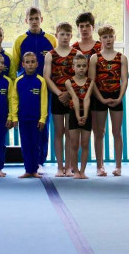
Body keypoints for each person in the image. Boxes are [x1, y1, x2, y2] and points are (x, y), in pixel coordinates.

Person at [12, 6, 57, 174]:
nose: (34, 21)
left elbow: (56, 62)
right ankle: (29, 164)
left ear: (41, 19)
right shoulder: (20, 40)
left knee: (43, 124)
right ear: (26, 21)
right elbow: (15, 65)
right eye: (31, 19)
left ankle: (40, 161)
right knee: (26, 127)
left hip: (45, 87)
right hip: (25, 87)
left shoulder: (51, 40)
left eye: (36, 18)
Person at [89, 25, 128, 177]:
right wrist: (101, 99)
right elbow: (92, 81)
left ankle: (118, 166)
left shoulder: (121, 57)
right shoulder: (95, 58)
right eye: (105, 37)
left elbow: (124, 80)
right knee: (99, 132)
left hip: (116, 95)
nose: (108, 39)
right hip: (99, 96)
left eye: (110, 36)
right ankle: (100, 166)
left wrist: (119, 98)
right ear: (100, 40)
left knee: (116, 132)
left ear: (114, 37)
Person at [43, 22, 78, 177]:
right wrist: (59, 93)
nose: (65, 37)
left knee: (70, 132)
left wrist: (69, 94)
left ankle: (68, 166)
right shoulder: (50, 55)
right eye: (62, 34)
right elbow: (47, 77)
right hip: (57, 97)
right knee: (58, 132)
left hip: (72, 96)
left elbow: (80, 76)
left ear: (71, 36)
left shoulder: (76, 54)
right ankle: (59, 167)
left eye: (67, 34)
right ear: (57, 35)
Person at [11, 52, 48, 179]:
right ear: (23, 64)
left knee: (36, 145)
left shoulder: (40, 81)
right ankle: (28, 170)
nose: (30, 64)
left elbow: (44, 101)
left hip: (36, 120)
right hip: (23, 119)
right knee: (26, 144)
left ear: (37, 64)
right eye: (27, 62)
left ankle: (35, 169)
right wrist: (14, 117)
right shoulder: (18, 81)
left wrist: (43, 118)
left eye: (33, 62)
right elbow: (14, 100)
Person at [65, 53, 93, 180]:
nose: (81, 68)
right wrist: (78, 116)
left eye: (83, 66)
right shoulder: (68, 82)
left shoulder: (90, 82)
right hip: (73, 113)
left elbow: (86, 98)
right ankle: (75, 170)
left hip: (86, 113)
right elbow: (75, 98)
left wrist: (85, 116)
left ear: (87, 67)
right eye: (78, 66)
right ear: (73, 67)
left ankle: (83, 171)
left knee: (85, 144)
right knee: (74, 144)